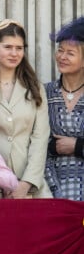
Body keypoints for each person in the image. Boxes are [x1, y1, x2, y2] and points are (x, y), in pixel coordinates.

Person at [0, 19, 51, 198]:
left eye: (19, 48)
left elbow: (40, 138)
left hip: (31, 187)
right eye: (8, 47)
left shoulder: (35, 88)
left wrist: (26, 183)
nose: (14, 53)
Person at [45, 16, 84, 200]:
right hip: (51, 187)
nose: (62, 56)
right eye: (60, 50)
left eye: (70, 53)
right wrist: (53, 146)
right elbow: (31, 140)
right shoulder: (45, 93)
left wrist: (77, 146)